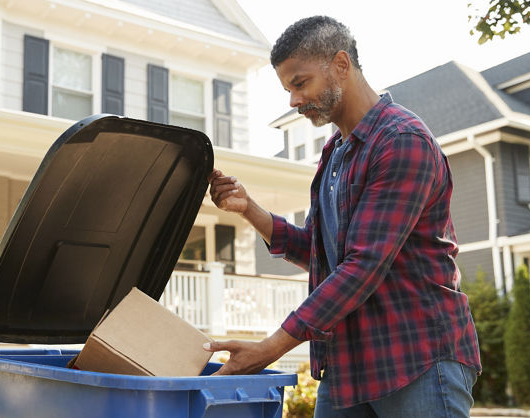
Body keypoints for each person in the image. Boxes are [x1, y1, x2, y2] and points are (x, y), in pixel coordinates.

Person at [203, 16, 481, 417]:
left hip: (418, 358)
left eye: (300, 83)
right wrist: (250, 209)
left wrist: (270, 348)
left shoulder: (401, 141)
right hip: (350, 364)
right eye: (288, 89)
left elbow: (363, 266)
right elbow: (322, 255)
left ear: (340, 65)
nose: (293, 101)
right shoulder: (334, 154)